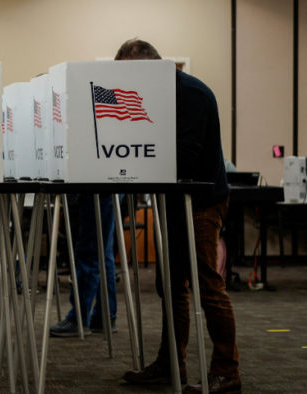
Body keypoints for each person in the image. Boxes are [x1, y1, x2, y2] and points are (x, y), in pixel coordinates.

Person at [116, 39, 240, 394]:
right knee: (169, 285)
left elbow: (184, 157)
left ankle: (227, 371)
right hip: (171, 202)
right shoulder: (158, 93)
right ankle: (172, 364)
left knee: (206, 285)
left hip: (201, 202)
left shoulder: (191, 95)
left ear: (149, 67)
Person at [49, 194, 118, 337]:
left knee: (90, 249)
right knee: (103, 250)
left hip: (96, 186)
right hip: (112, 184)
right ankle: (104, 316)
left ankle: (79, 317)